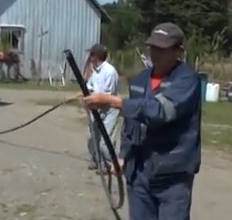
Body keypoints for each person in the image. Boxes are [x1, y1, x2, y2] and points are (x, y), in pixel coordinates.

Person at [82, 22, 201, 220]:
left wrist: (113, 101)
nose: (155, 54)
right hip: (139, 174)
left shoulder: (187, 81)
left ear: (178, 51)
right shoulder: (140, 80)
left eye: (162, 50)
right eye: (153, 48)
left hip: (173, 177)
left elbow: (160, 111)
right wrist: (123, 155)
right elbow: (132, 123)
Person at [83, 43, 120, 173]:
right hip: (96, 108)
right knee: (92, 137)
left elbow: (107, 96)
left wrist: (93, 103)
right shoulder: (95, 72)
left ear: (96, 56)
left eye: (91, 55)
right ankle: (96, 160)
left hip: (109, 109)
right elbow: (89, 88)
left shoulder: (109, 71)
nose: (89, 58)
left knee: (105, 141)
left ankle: (109, 165)